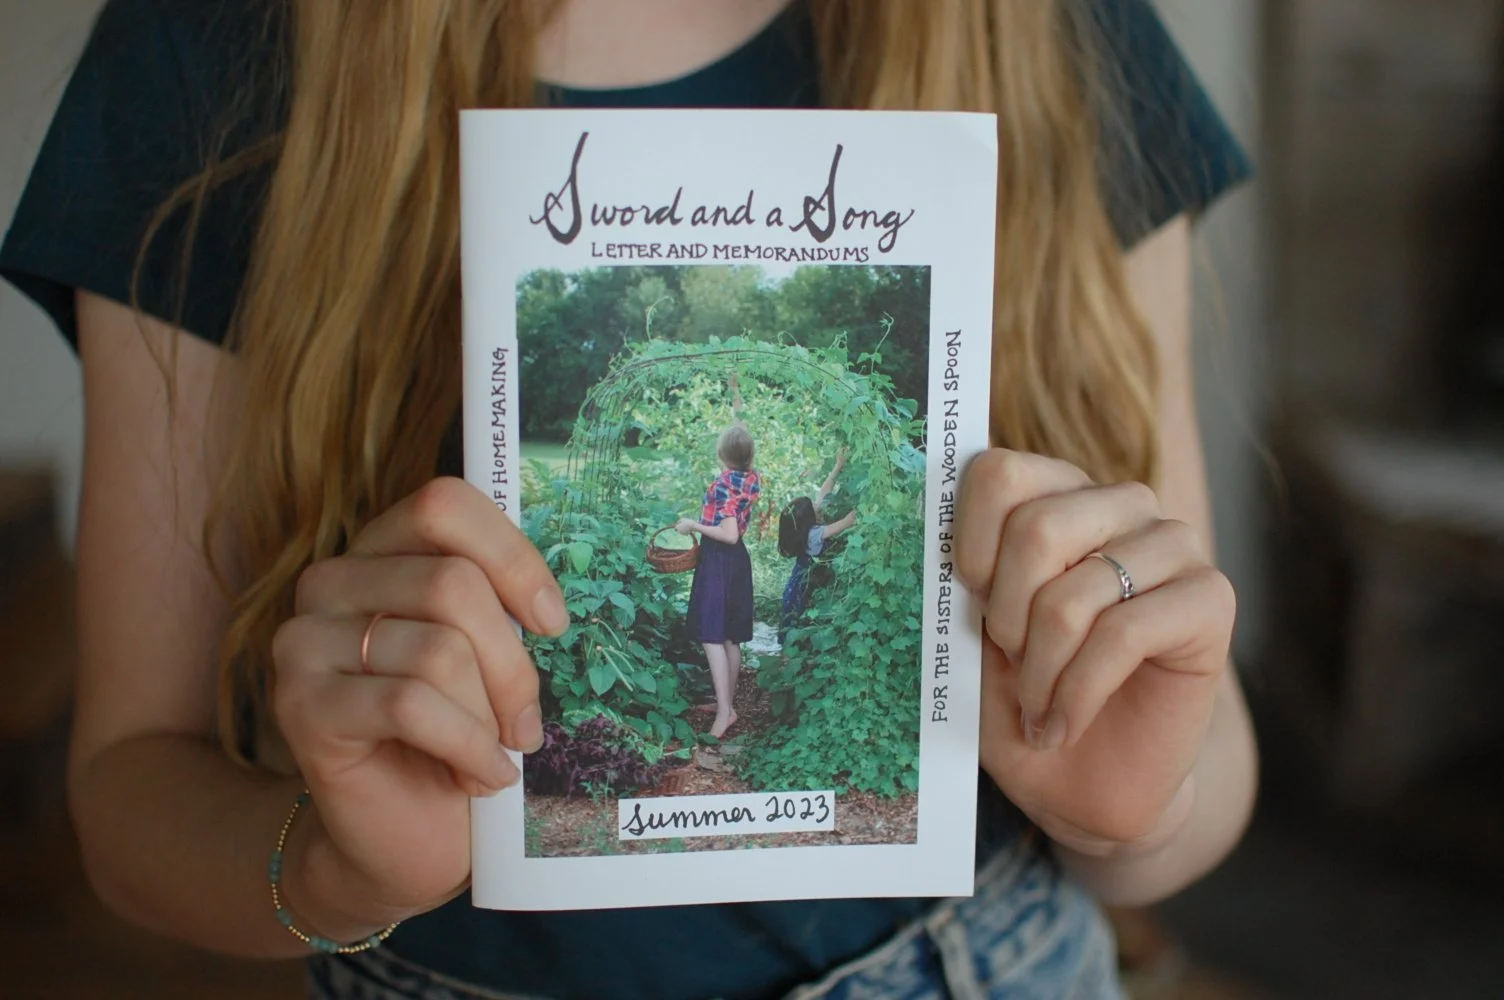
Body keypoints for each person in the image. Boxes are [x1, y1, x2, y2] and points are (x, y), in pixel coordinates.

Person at [0, 0, 1257, 997]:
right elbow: (128, 792)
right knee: (719, 644)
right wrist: (337, 868)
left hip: (985, 958)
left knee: (720, 644)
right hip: (449, 965)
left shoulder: (1043, 24)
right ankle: (726, 713)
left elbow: (1202, 765)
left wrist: (1133, 810)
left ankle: (726, 714)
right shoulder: (219, 38)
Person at [675, 377, 761, 739]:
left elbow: (729, 534)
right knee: (730, 638)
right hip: (737, 562)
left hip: (720, 559)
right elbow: (742, 437)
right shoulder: (750, 477)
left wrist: (692, 525)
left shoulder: (723, 485)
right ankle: (727, 704)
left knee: (712, 636)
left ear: (721, 455)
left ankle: (724, 712)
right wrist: (736, 396)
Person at [778, 448, 856, 641]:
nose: (817, 504)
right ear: (808, 518)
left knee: (795, 626)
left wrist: (838, 465)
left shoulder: (806, 528)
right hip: (804, 587)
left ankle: (790, 652)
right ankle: (789, 654)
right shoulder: (814, 534)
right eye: (814, 505)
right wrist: (864, 503)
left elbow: (824, 492)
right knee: (797, 625)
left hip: (799, 583)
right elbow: (848, 522)